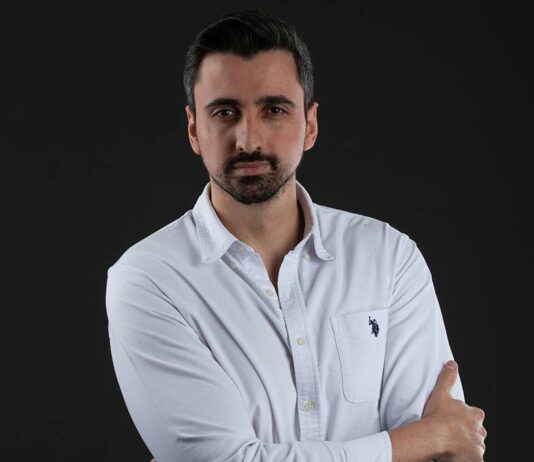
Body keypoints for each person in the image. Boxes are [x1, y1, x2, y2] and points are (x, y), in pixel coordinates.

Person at [105, 9, 487, 462]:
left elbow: (445, 458)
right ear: (194, 129)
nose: (249, 139)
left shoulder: (388, 257)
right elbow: (225, 460)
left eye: (274, 110)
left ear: (310, 124)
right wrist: (424, 439)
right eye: (225, 112)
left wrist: (432, 444)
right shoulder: (149, 279)